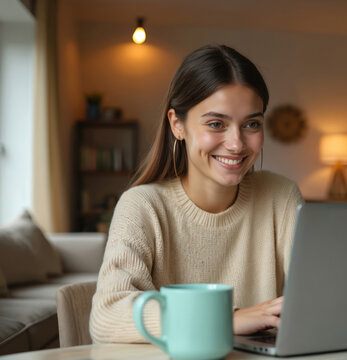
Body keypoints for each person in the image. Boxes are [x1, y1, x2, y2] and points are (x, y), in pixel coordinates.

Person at [90, 44, 304, 343]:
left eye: (251, 124)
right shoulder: (143, 206)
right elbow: (107, 316)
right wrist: (224, 320)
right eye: (216, 124)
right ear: (177, 124)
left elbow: (316, 299)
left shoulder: (281, 197)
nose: (237, 144)